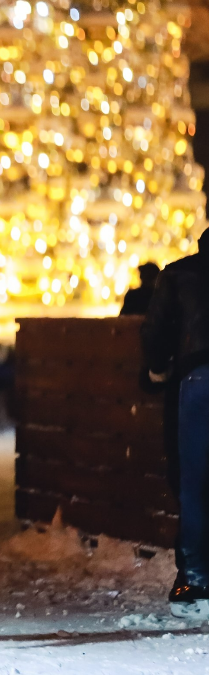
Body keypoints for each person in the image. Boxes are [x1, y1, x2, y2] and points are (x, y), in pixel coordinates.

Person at [141, 227, 209, 619]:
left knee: (194, 480)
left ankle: (195, 577)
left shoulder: (179, 273)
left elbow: (155, 331)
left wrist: (155, 369)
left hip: (197, 378)